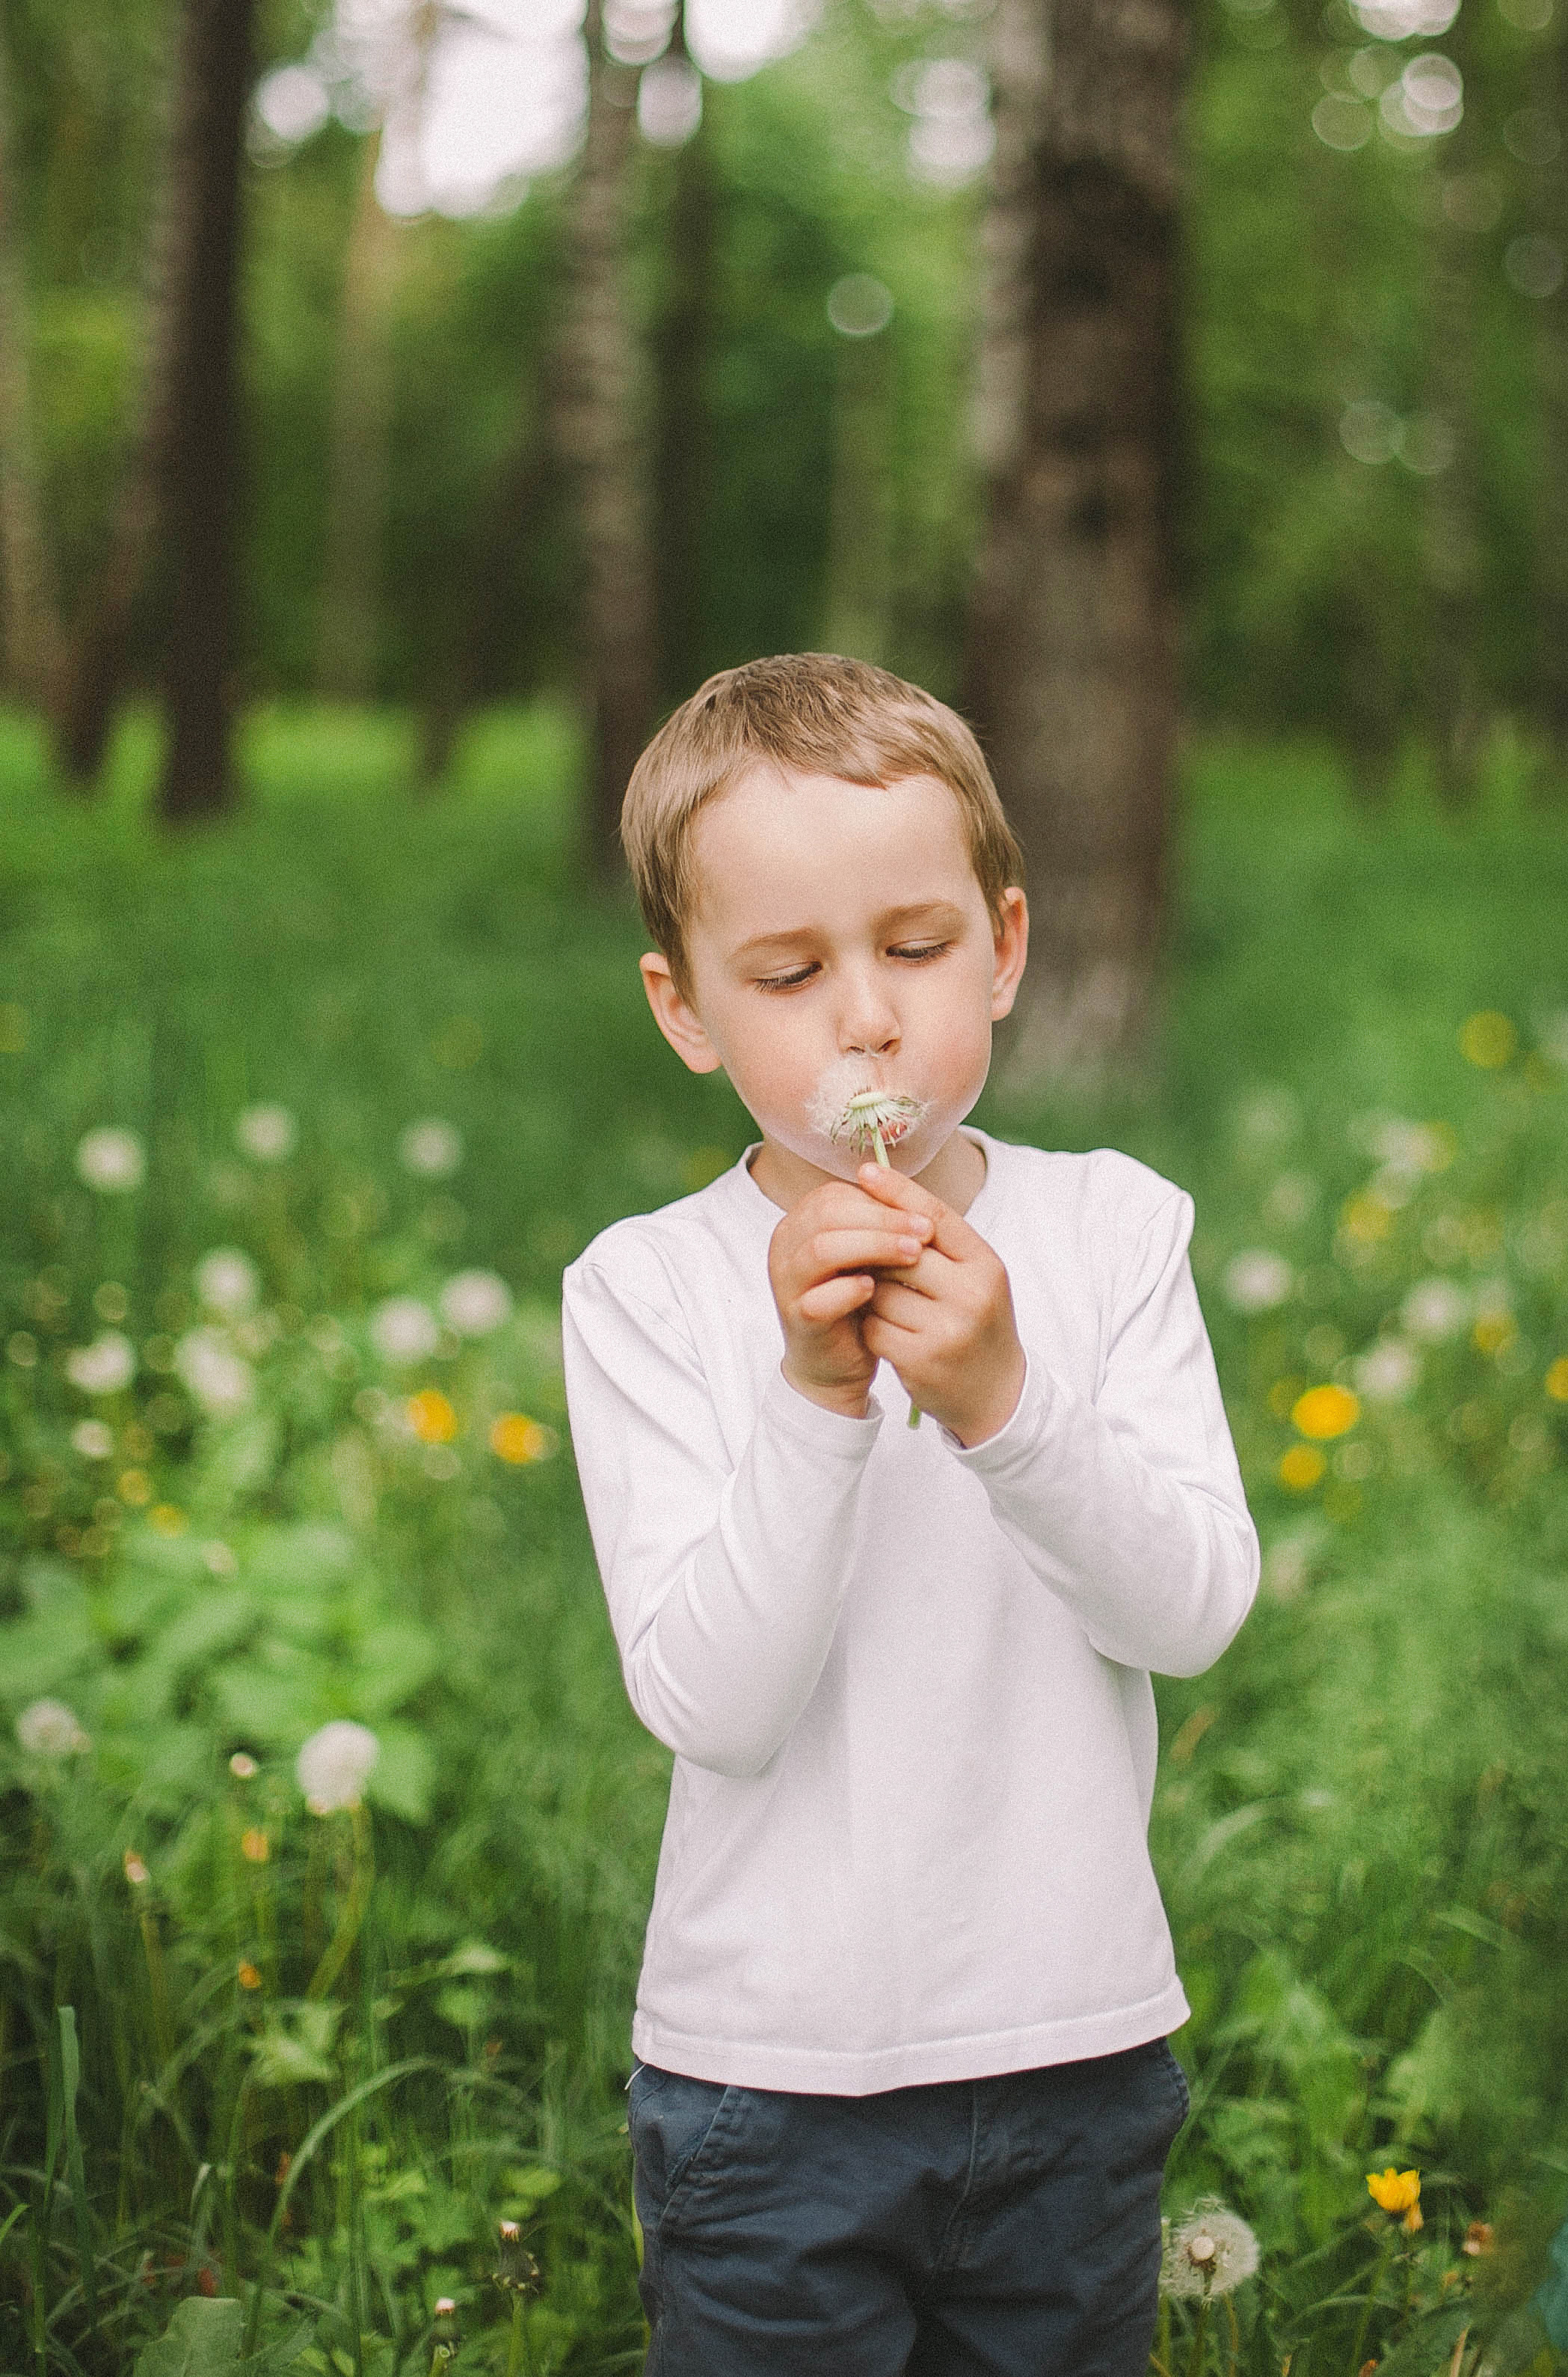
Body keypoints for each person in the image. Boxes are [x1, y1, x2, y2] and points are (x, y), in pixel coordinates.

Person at [561, 654, 1259, 2376]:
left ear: (1005, 947)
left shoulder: (1110, 1233)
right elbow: (709, 1704)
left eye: (918, 948)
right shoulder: (646, 1288)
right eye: (788, 973)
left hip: (1072, 2050)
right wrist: (815, 1396)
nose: (862, 1017)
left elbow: (1187, 1611)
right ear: (686, 1009)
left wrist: (1007, 1406)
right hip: (767, 2083)